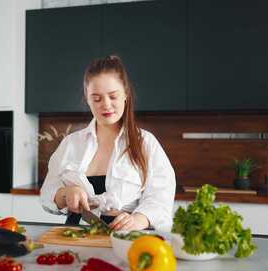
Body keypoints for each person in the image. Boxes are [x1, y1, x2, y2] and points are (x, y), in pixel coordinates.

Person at [39, 55, 176, 231]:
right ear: (87, 99)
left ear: (125, 94)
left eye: (113, 96)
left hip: (124, 236)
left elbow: (161, 197)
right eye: (96, 98)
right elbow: (46, 196)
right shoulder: (71, 143)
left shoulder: (146, 143)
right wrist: (66, 194)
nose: (106, 104)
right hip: (76, 235)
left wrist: (139, 219)